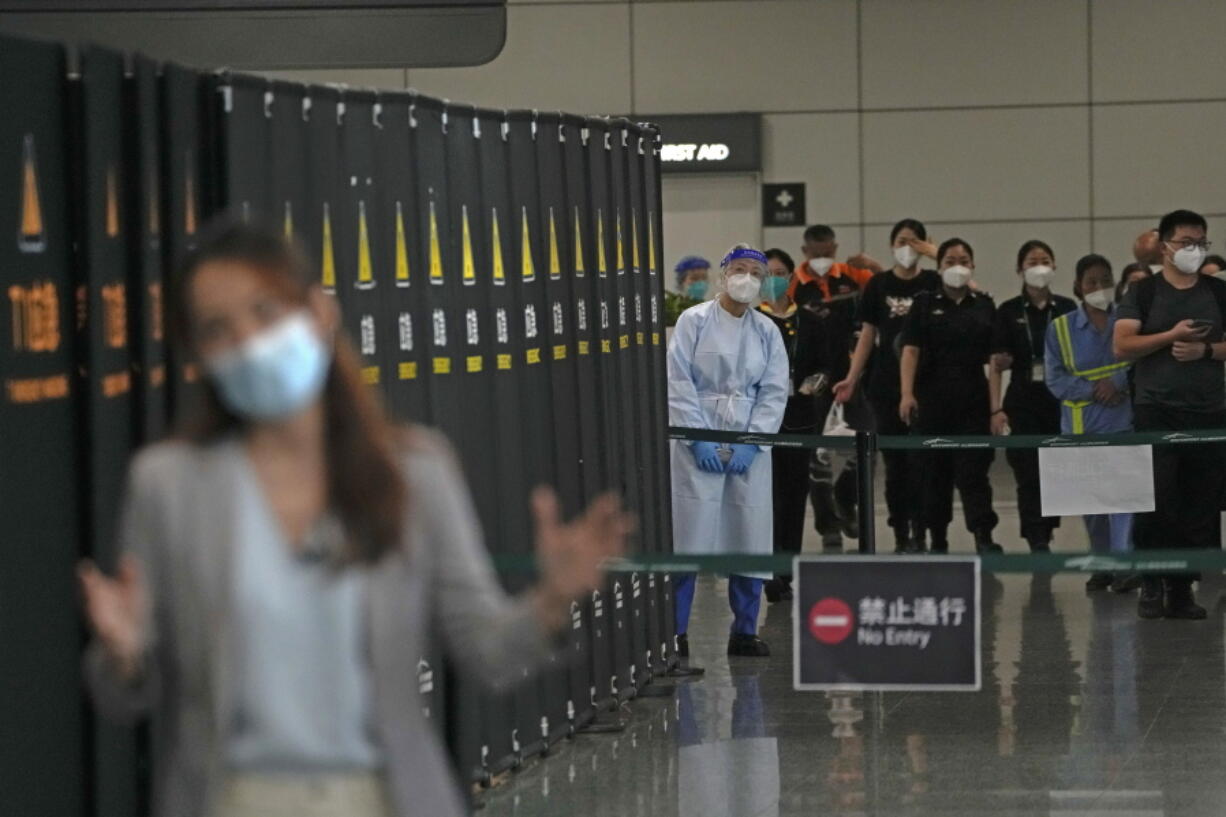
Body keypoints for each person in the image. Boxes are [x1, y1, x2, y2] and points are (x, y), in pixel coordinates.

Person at [77, 221, 631, 817]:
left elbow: (487, 652)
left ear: (318, 313)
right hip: (230, 799)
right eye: (217, 329)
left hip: (381, 797)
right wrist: (123, 655)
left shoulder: (414, 471)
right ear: (199, 355)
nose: (246, 341)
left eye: (266, 312)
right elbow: (125, 694)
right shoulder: (170, 485)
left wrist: (551, 601)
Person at [668, 243, 789, 657]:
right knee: (688, 532)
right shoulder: (693, 321)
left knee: (748, 533)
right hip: (696, 433)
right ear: (724, 274)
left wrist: (754, 444)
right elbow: (679, 380)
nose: (748, 279)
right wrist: (695, 435)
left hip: (747, 436)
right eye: (740, 270)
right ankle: (675, 631)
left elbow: (774, 391)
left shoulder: (766, 330)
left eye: (757, 273)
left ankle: (743, 630)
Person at [1115, 209, 1226, 620]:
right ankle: (1152, 581)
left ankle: (1182, 588)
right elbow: (1122, 345)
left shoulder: (1217, 292)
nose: (1194, 250)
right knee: (1157, 499)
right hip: (1156, 410)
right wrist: (1171, 337)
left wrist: (1207, 351)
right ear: (1164, 247)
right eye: (1185, 243)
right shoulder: (1144, 293)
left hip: (1208, 411)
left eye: (1201, 242)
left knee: (1199, 504)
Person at [833, 218, 941, 553]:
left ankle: (923, 530)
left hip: (925, 383)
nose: (907, 248)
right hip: (885, 384)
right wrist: (851, 378)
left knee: (923, 463)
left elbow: (976, 291)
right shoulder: (878, 285)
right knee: (895, 465)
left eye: (914, 242)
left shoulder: (934, 281)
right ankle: (900, 531)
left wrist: (936, 253)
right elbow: (867, 336)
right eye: (901, 241)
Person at [898, 238, 1001, 554]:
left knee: (973, 474)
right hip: (931, 399)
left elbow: (995, 360)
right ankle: (935, 537)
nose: (957, 266)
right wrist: (906, 393)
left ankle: (983, 536)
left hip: (972, 398)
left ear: (972, 267)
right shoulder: (925, 303)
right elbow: (910, 350)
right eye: (950, 260)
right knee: (933, 474)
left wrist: (996, 409)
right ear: (938, 267)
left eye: (964, 260)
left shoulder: (984, 305)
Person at [1044, 254, 1137, 592]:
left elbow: (1139, 360)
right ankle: (1102, 564)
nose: (1099, 288)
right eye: (1091, 282)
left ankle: (1124, 565)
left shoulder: (1128, 322)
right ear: (1077, 288)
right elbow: (1055, 379)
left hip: (1122, 422)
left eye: (1105, 280)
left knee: (1124, 499)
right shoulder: (1060, 328)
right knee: (1092, 505)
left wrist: (1119, 382)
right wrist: (1093, 390)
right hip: (1081, 428)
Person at [790, 224, 874, 550]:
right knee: (819, 455)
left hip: (854, 375)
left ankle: (848, 503)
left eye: (828, 253)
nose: (822, 259)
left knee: (858, 446)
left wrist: (873, 265)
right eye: (816, 254)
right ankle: (828, 524)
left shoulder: (853, 276)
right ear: (805, 252)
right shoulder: (796, 286)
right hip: (816, 380)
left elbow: (885, 290)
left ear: (835, 249)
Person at [989, 240, 1077, 552]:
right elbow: (997, 365)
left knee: (1055, 472)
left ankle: (1048, 527)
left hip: (1060, 401)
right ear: (1019, 269)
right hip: (1023, 399)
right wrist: (996, 409)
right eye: (1031, 261)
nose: (1039, 266)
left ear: (1053, 266)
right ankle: (1036, 536)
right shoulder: (1008, 311)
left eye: (1044, 260)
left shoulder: (1067, 309)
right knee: (1027, 472)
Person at [758, 248, 827, 603]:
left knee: (795, 495)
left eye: (780, 272)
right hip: (761, 422)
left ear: (791, 277)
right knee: (766, 497)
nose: (774, 279)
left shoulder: (811, 321)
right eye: (767, 273)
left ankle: (788, 570)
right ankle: (768, 570)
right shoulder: (751, 320)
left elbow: (827, 366)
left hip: (799, 418)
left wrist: (816, 382)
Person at [666, 255, 712, 326]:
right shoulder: (671, 308)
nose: (700, 282)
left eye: (704, 278)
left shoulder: (710, 308)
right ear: (681, 281)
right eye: (694, 278)